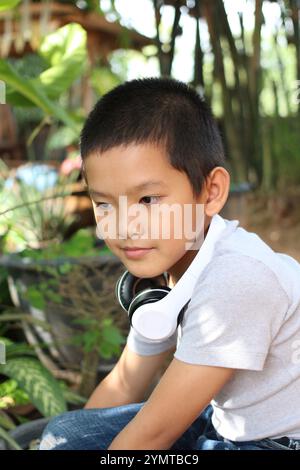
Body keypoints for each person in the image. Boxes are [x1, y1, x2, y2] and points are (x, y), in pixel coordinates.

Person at [39, 77, 300, 451]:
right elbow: (124, 383)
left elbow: (153, 435)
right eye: (104, 204)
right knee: (66, 434)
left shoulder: (238, 277)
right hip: (224, 425)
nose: (124, 225)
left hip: (276, 442)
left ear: (211, 193)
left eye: (147, 199)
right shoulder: (168, 268)